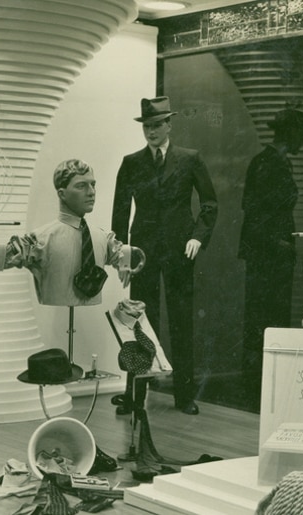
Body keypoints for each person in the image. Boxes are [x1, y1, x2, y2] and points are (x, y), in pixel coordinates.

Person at [111, 96, 218, 416]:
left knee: (182, 321)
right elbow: (120, 210)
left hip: (180, 250)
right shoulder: (132, 162)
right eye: (147, 126)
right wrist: (122, 255)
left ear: (169, 125)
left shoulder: (190, 159)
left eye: (157, 125)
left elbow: (210, 204)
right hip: (142, 252)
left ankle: (184, 395)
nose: (151, 131)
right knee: (140, 322)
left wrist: (198, 237)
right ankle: (134, 395)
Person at [238, 108, 303, 409]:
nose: (302, 142)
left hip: (273, 254)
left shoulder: (275, 162)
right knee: (265, 318)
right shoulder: (269, 163)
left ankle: (266, 386)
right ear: (289, 134)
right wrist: (276, 242)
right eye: (300, 135)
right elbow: (253, 209)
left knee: (271, 318)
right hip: (268, 255)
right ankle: (259, 388)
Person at [0, 158, 138, 307]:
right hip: (57, 298)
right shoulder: (42, 239)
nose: (91, 192)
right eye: (81, 186)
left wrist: (126, 261)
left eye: (93, 185)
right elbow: (4, 259)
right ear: (62, 194)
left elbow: (123, 256)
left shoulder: (102, 237)